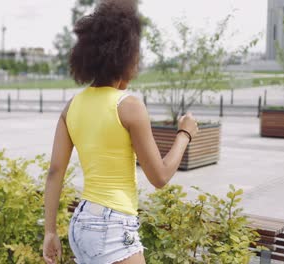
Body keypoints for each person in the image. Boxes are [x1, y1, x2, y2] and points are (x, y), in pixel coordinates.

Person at [43, 0, 199, 263]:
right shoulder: (128, 106)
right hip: (113, 227)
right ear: (123, 54)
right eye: (136, 51)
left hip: (81, 223)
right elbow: (159, 177)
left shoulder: (72, 107)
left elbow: (55, 171)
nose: (138, 58)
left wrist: (49, 231)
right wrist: (185, 134)